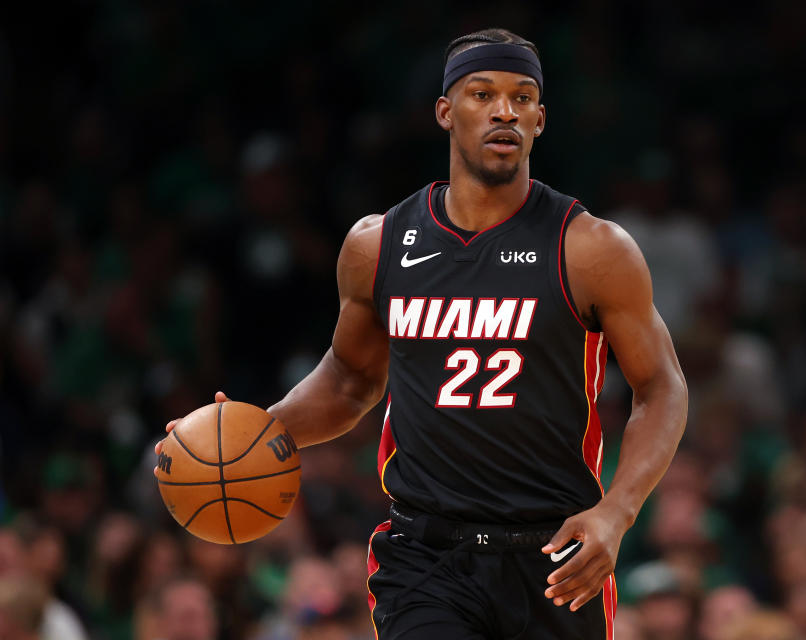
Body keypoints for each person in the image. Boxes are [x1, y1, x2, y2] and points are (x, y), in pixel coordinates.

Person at [157, 27, 687, 639]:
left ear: (541, 118)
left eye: (521, 97)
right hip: (425, 555)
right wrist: (257, 432)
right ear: (445, 111)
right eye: (482, 94)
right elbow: (351, 378)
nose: (504, 111)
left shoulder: (590, 248)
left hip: (555, 554)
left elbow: (662, 387)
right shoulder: (377, 244)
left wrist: (616, 514)